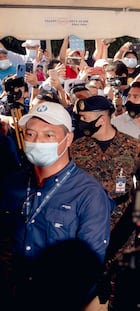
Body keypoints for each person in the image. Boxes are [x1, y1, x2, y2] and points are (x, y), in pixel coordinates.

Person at [0, 101, 114, 309]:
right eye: (30, 134)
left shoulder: (88, 193)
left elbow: (88, 266)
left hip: (61, 299)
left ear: (68, 139)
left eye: (49, 135)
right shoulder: (12, 184)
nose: (37, 141)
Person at [70, 95, 140, 231]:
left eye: (85, 118)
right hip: (84, 220)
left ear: (102, 120)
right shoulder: (76, 148)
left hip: (122, 223)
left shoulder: (133, 147)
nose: (81, 122)